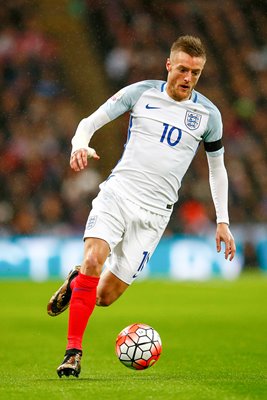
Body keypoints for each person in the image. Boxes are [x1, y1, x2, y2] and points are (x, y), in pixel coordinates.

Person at [47, 35, 236, 378]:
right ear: (169, 65)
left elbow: (217, 167)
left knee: (104, 296)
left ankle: (77, 281)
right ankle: (73, 352)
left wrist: (222, 220)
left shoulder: (208, 115)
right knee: (94, 258)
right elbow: (88, 122)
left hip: (154, 216)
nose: (187, 78)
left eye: (195, 72)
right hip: (119, 194)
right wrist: (80, 144)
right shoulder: (141, 93)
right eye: (182, 69)